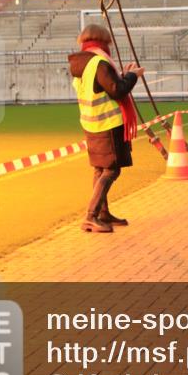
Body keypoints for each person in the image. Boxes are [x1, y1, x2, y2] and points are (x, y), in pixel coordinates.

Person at [68, 24, 144, 233]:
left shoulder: (81, 63)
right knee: (111, 169)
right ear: (103, 41)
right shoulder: (99, 62)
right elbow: (117, 90)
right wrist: (133, 76)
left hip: (91, 123)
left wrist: (123, 75)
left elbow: (103, 87)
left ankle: (103, 213)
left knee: (100, 169)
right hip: (107, 125)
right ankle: (90, 216)